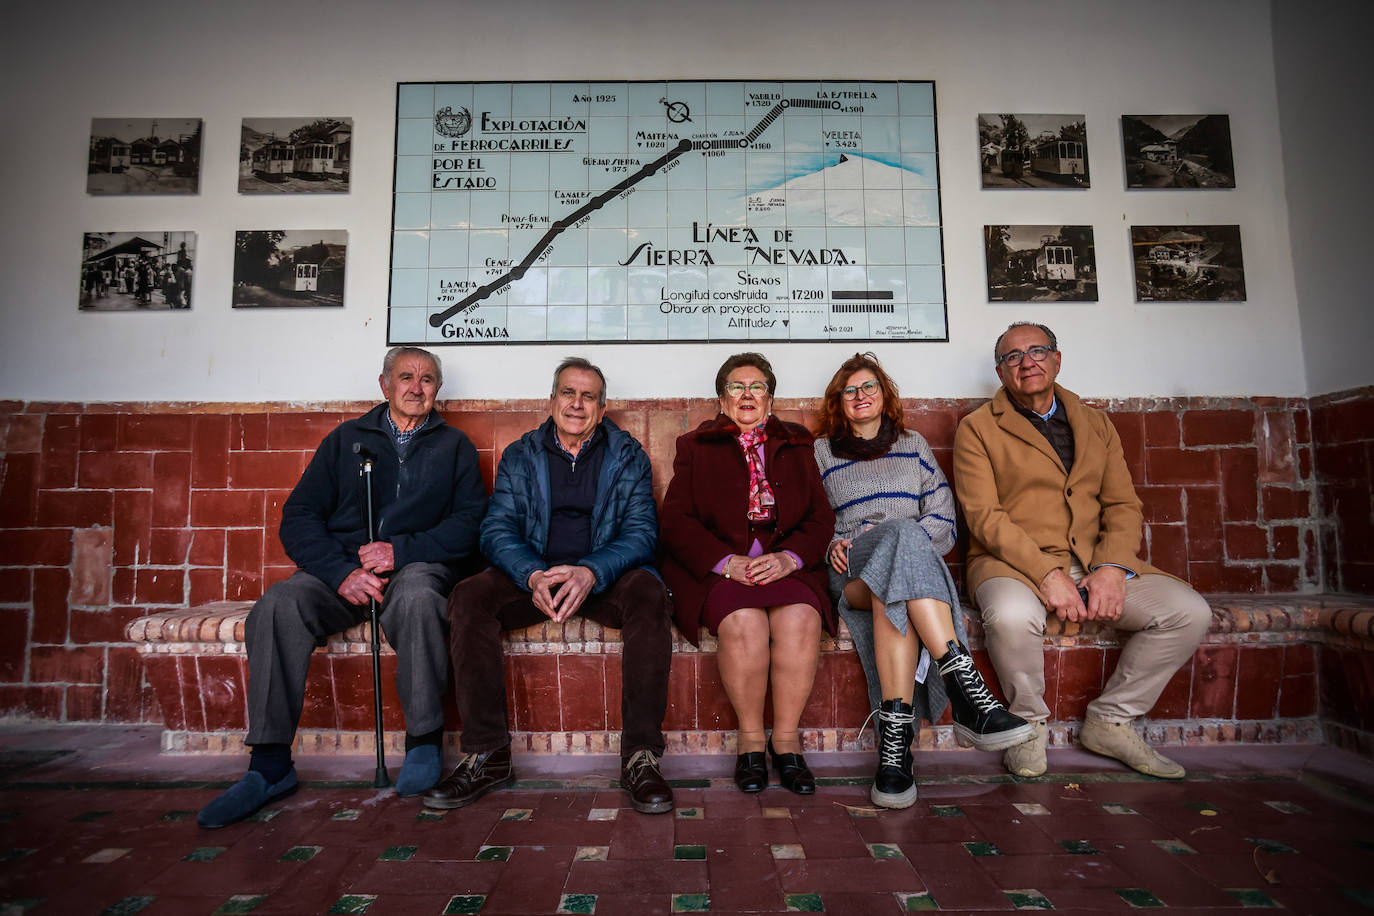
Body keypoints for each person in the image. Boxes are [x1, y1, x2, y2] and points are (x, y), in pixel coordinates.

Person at [197, 347, 487, 828]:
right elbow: (300, 517)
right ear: (384, 384)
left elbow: (471, 523)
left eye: (428, 379)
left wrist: (403, 551)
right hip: (342, 572)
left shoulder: (454, 446)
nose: (417, 388)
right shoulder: (346, 441)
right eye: (406, 377)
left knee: (418, 599)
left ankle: (423, 743)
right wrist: (339, 572)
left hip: (415, 567)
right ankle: (269, 765)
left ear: (439, 389)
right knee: (278, 604)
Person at [954, 322, 1212, 779]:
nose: (1026, 362)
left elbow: (1122, 503)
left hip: (1094, 562)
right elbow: (985, 517)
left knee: (1188, 612)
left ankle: (1112, 720)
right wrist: (1047, 574)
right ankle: (1028, 727)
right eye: (1013, 357)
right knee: (1012, 615)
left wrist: (1112, 568)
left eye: (1037, 351)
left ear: (1057, 358)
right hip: (1010, 563)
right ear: (1000, 371)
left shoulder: (1095, 422)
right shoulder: (976, 428)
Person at [426, 358, 675, 814]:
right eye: (568, 393)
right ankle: (488, 754)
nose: (576, 404)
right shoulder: (522, 454)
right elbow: (496, 530)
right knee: (469, 597)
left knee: (649, 595)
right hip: (535, 577)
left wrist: (591, 571)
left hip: (602, 579)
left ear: (602, 409)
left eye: (588, 397)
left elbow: (642, 533)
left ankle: (641, 757)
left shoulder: (627, 455)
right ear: (552, 399)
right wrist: (533, 575)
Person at [814, 353, 1032, 808]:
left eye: (869, 386)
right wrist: (833, 543)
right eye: (849, 390)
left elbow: (945, 523)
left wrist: (901, 537)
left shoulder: (913, 446)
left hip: (904, 571)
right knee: (901, 533)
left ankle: (895, 758)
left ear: (885, 394)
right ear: (838, 402)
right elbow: (813, 523)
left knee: (903, 540)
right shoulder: (821, 452)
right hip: (853, 573)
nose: (860, 396)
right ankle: (966, 690)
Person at [660, 353, 834, 795]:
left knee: (800, 618)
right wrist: (726, 563)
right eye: (737, 387)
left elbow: (820, 516)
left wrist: (791, 558)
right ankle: (751, 745)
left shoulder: (798, 442)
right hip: (722, 569)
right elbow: (676, 520)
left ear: (770, 399)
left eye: (757, 387)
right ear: (722, 399)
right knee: (744, 623)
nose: (747, 395)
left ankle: (788, 743)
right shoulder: (695, 445)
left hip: (785, 562)